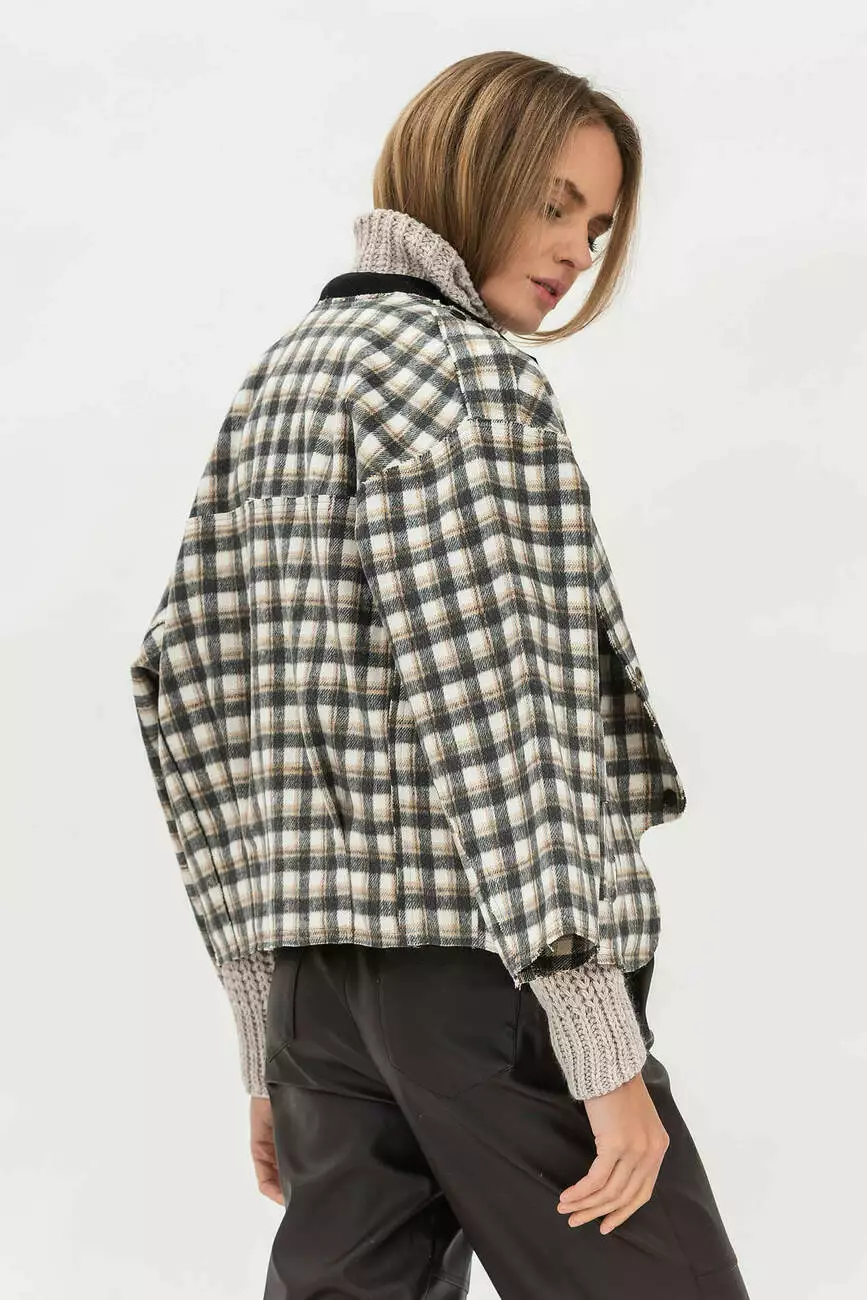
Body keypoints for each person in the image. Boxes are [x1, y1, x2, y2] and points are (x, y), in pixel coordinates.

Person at [130, 50, 751, 1299]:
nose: (576, 250)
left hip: (322, 996)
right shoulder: (466, 378)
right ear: (469, 171)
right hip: (488, 978)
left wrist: (267, 1033)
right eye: (555, 203)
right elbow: (498, 708)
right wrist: (594, 1031)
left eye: (598, 225)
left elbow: (181, 685)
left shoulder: (284, 377)